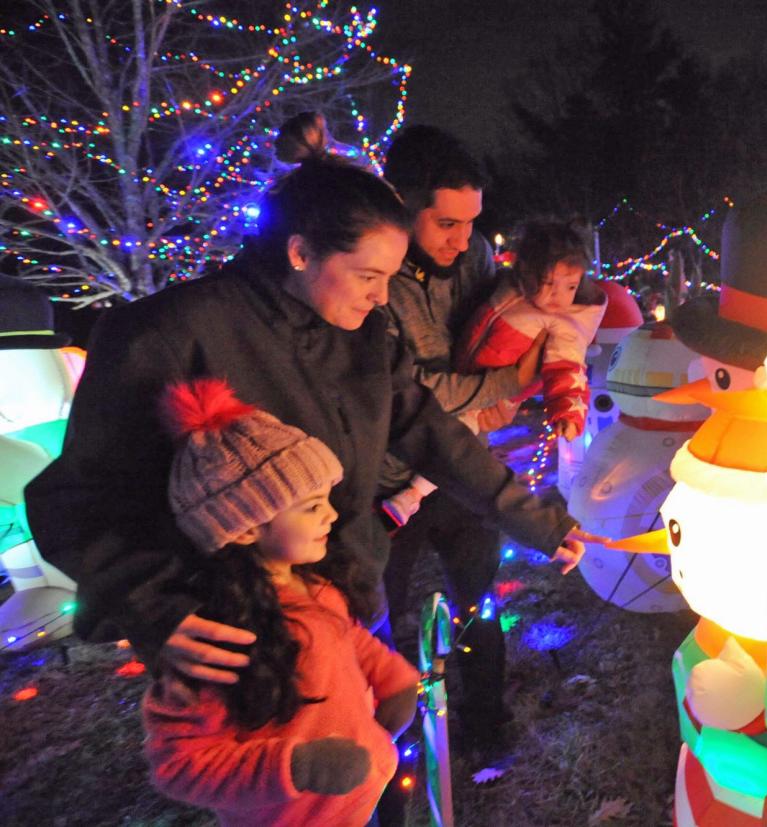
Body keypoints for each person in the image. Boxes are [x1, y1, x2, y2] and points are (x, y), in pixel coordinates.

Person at [24, 112, 597, 690]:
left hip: (349, 599)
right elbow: (77, 500)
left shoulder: (361, 334)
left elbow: (426, 426)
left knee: (374, 754)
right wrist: (155, 605)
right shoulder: (167, 334)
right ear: (300, 252)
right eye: (368, 277)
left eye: (390, 279)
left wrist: (535, 519)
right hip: (243, 629)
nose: (380, 300)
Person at [142, 377, 420, 827]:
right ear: (247, 526)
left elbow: (343, 642)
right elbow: (179, 765)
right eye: (312, 506)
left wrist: (392, 678)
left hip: (364, 794)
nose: (332, 515)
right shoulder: (216, 637)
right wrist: (296, 767)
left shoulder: (315, 588)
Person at [376, 125, 542, 752]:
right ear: (401, 203)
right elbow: (408, 391)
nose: (462, 239)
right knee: (381, 612)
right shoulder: (373, 278)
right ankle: (387, 738)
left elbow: (486, 344)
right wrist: (501, 385)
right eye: (446, 222)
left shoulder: (471, 259)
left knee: (479, 593)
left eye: (471, 222)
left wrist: (500, 393)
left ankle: (483, 722)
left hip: (463, 461)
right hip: (389, 478)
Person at [380, 219, 607, 526]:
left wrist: (567, 411)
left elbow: (567, 369)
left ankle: (411, 497)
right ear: (525, 272)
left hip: (491, 400)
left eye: (570, 287)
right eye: (548, 283)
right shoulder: (508, 287)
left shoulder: (561, 323)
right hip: (469, 377)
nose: (559, 297)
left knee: (456, 442)